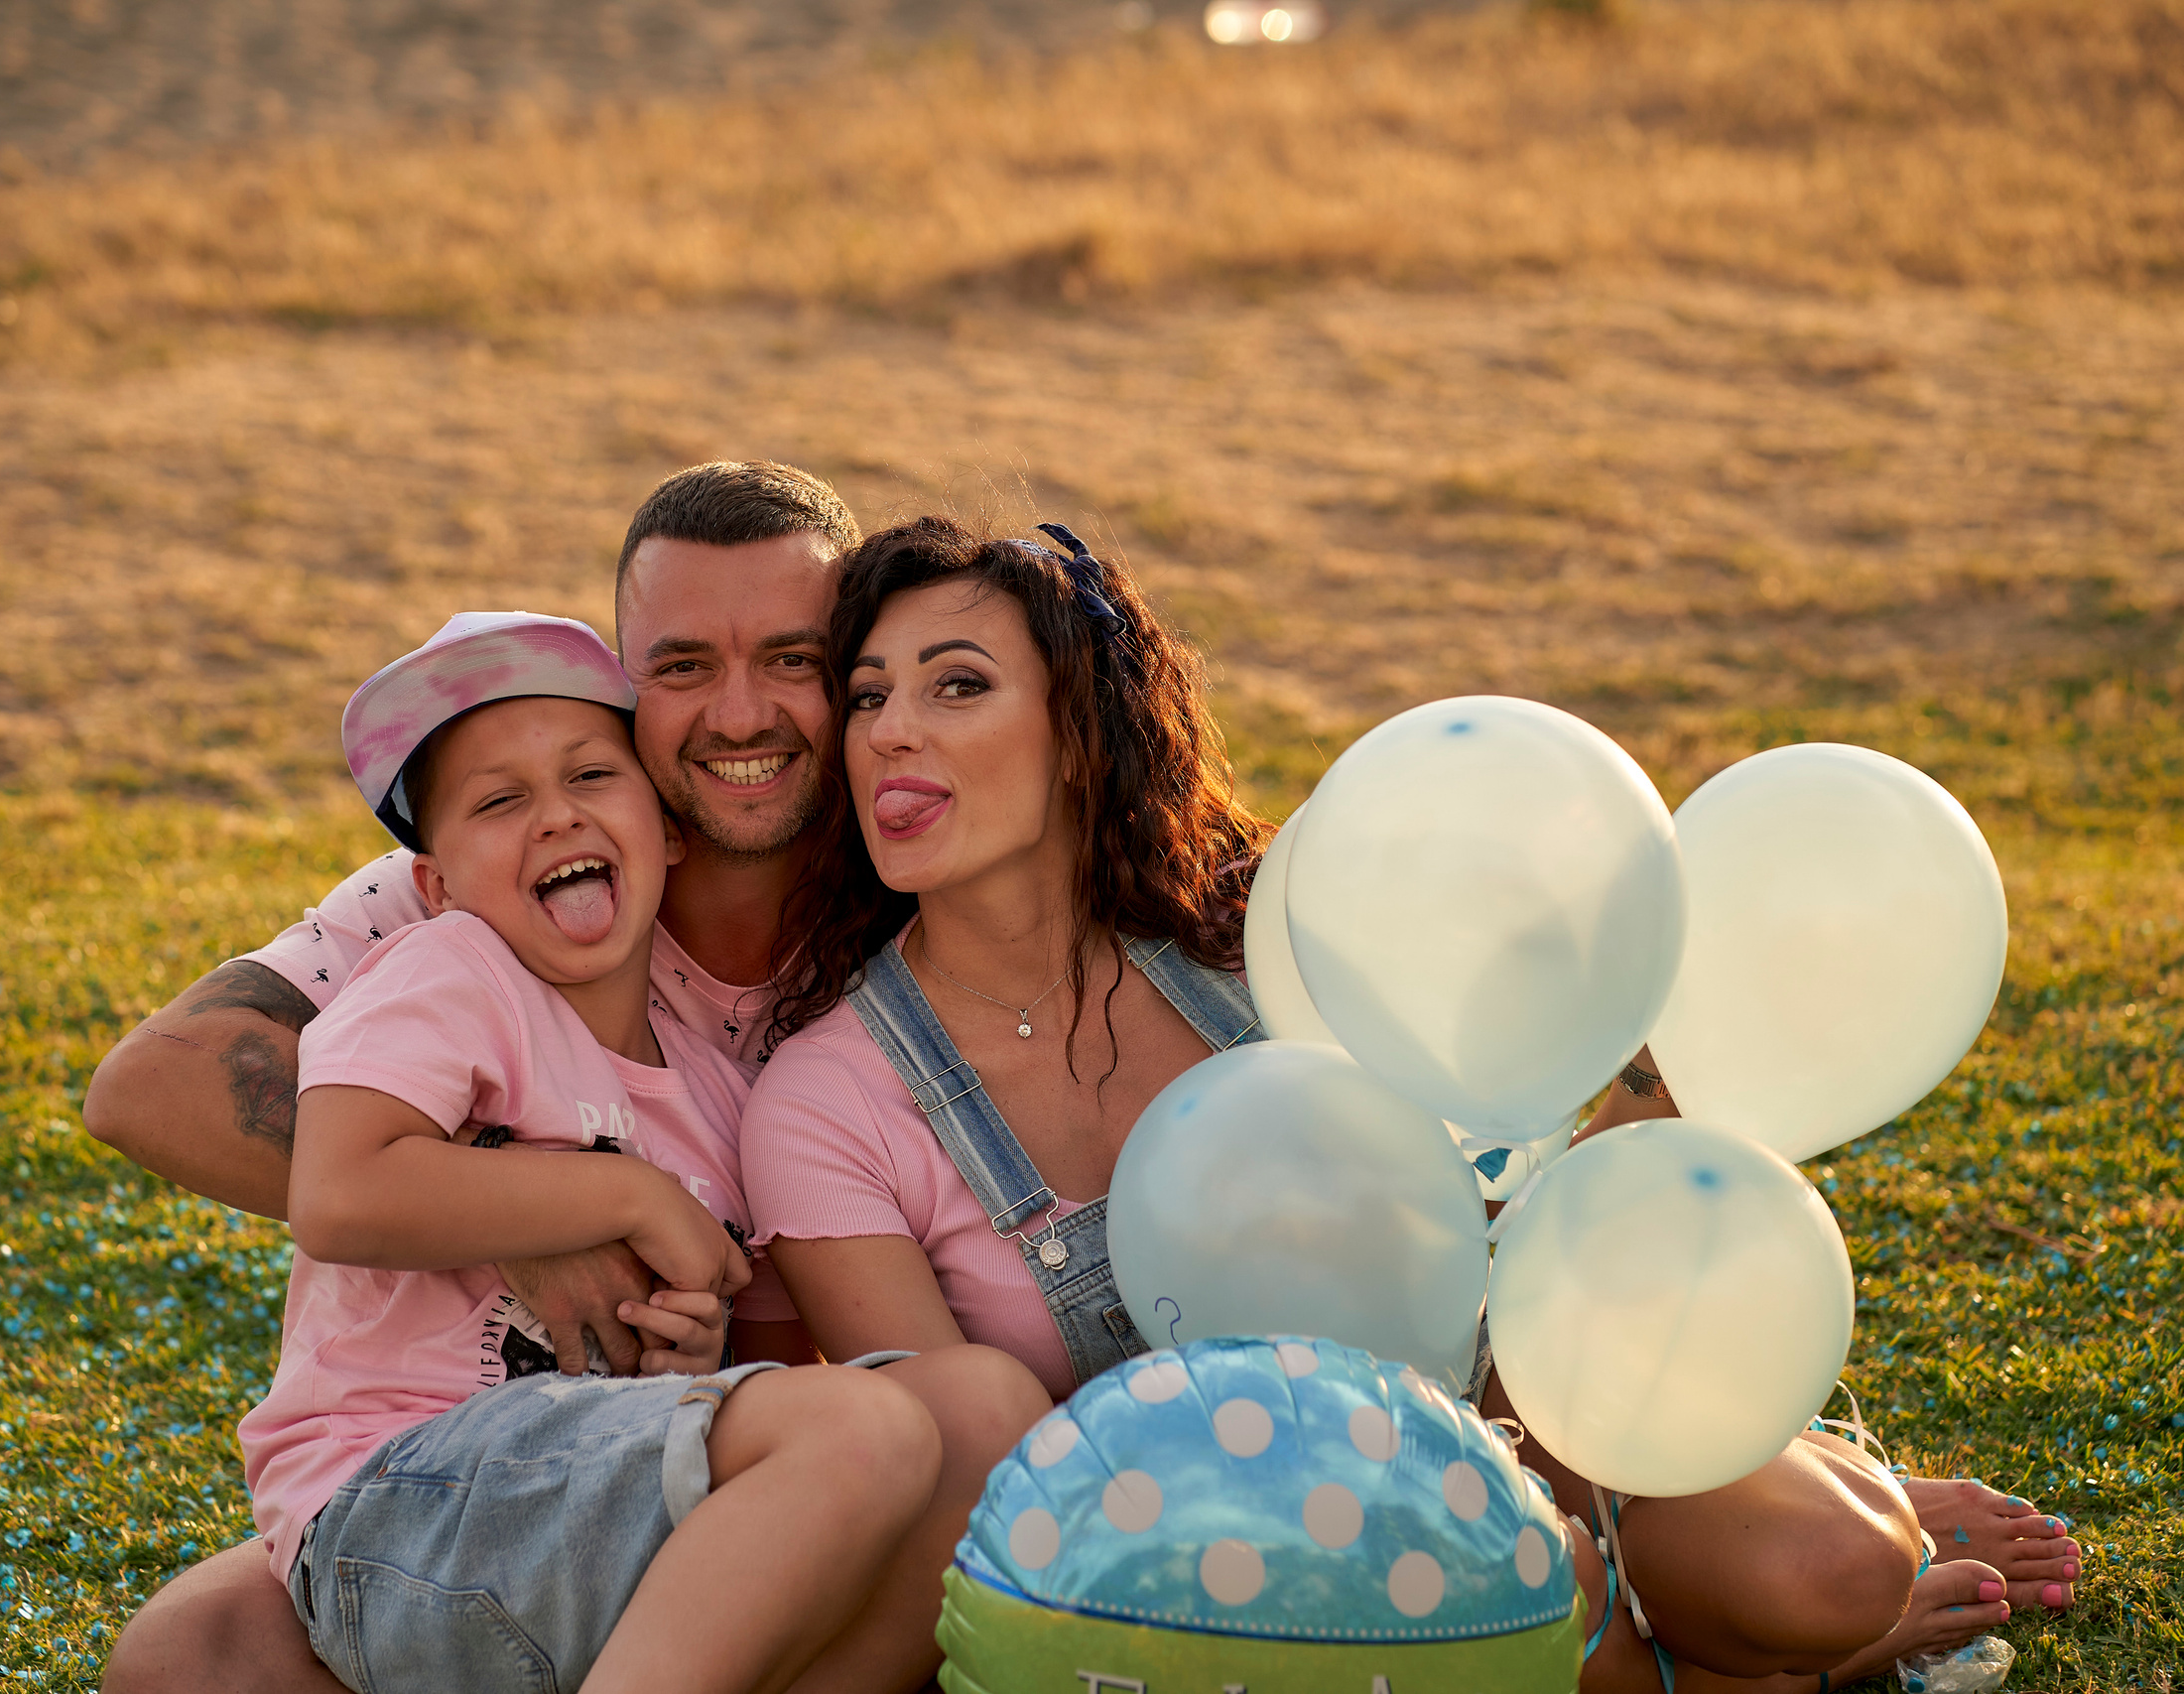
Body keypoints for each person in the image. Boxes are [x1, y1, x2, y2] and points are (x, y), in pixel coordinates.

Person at [738, 513, 2077, 1694]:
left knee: (1828, 1566)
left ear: (1082, 733)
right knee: (1584, 1629)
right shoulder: (826, 1099)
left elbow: (1493, 1199)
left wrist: (1649, 1102)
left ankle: (1753, 1606)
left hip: (1509, 1415)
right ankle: (1720, 1672)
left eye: (955, 683)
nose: (891, 729)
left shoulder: (1250, 945)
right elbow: (974, 1493)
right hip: (1220, 1557)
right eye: (867, 698)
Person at [87, 463, 1053, 1694]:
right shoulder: (473, 909)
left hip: (719, 1454)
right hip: (467, 1472)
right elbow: (149, 1089)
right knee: (188, 1659)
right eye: (684, 665)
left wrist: (681, 1323)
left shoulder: (916, 876)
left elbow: (749, 1355)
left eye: (793, 661)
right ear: (628, 691)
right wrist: (531, 1203)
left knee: (940, 1422)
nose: (740, 714)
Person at [242, 607, 978, 1692]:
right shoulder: (453, 974)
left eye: (591, 777)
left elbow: (750, 1379)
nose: (554, 818)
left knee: (971, 1410)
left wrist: (687, 1355)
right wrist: (626, 1196)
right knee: (865, 1432)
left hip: (580, 1521)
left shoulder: (727, 1104)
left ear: (667, 833)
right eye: (498, 801)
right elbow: (340, 1194)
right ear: (436, 888)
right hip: (390, 1505)